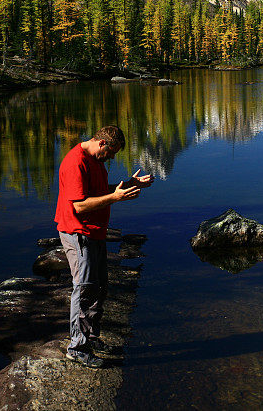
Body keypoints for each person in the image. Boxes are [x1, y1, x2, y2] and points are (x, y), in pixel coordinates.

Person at [54, 125, 153, 368]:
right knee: (84, 288)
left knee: (99, 287)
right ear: (102, 144)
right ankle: (76, 347)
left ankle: (91, 338)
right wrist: (115, 198)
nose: (111, 158)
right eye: (111, 153)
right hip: (78, 233)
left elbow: (97, 192)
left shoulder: (95, 160)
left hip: (94, 233)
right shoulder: (75, 162)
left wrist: (129, 184)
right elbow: (79, 205)